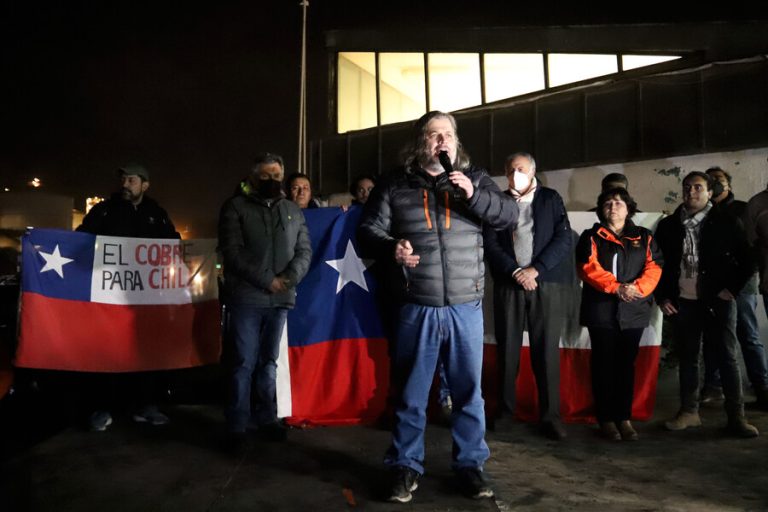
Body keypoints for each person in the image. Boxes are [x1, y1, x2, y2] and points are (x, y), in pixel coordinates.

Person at [358, 111, 517, 503]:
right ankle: (405, 465)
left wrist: (474, 195)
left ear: (457, 142)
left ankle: (470, 466)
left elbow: (508, 215)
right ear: (420, 142)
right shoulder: (394, 184)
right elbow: (367, 232)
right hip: (417, 304)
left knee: (468, 391)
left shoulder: (475, 179)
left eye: (448, 134)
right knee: (411, 392)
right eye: (433, 134)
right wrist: (390, 248)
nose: (441, 141)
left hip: (466, 304)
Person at [218, 153, 312, 448]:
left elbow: (304, 251)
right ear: (254, 176)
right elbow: (232, 252)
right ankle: (237, 426)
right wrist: (266, 280)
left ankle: (267, 418)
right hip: (246, 298)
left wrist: (287, 279)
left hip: (281, 299)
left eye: (276, 176)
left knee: (268, 363)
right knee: (243, 362)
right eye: (266, 176)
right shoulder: (235, 207)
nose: (271, 181)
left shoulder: (293, 211)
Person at [655, 171, 758, 438]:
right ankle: (689, 412)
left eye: (698, 187)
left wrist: (731, 289)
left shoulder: (727, 222)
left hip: (718, 302)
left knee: (727, 356)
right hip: (684, 302)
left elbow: (748, 259)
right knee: (688, 358)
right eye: (687, 187)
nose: (691, 192)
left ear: (710, 192)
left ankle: (737, 417)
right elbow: (659, 265)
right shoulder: (669, 226)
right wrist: (663, 297)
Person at [77, 162, 179, 431]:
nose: (125, 184)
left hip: (145, 300)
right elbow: (81, 241)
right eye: (123, 179)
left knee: (145, 351)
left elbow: (173, 244)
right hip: (109, 296)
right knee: (108, 351)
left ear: (145, 185)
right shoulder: (104, 210)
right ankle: (103, 407)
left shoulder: (156, 214)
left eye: (131, 180)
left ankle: (145, 405)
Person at [483, 151, 572, 440]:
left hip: (545, 283)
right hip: (509, 284)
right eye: (509, 170)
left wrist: (536, 270)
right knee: (507, 351)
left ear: (533, 171)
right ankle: (505, 413)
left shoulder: (550, 198)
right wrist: (514, 272)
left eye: (520, 169)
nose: (514, 174)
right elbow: (491, 243)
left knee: (546, 351)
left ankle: (550, 416)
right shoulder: (498, 203)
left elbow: (563, 238)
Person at [576, 188, 662, 441]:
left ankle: (623, 417)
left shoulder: (644, 237)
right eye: (607, 203)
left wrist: (637, 289)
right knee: (603, 366)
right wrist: (617, 288)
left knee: (626, 366)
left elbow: (655, 267)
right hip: (601, 312)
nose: (613, 207)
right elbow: (587, 268)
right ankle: (605, 419)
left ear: (629, 208)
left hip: (634, 311)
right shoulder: (591, 236)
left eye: (618, 203)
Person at [700, 167, 768, 409]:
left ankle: (761, 386)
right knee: (712, 337)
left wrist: (743, 279)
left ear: (728, 184)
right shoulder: (701, 212)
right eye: (710, 182)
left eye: (719, 180)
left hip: (741, 282)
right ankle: (713, 386)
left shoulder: (742, 208)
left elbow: (750, 247)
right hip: (712, 285)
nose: (715, 185)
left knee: (748, 333)